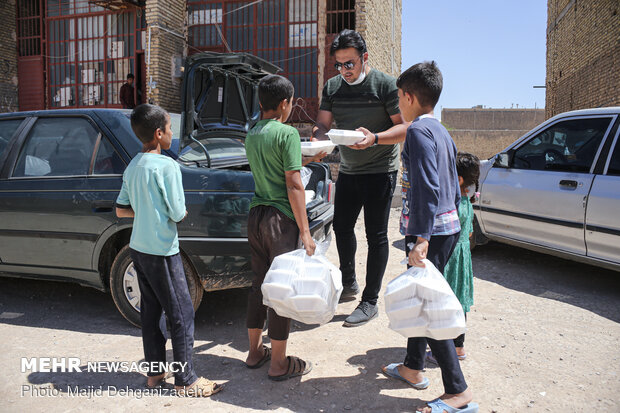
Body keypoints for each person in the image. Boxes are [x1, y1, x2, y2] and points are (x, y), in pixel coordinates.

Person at [382, 62, 478, 413]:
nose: (398, 104)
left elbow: (426, 186)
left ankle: (458, 391)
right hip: (446, 228)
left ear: (408, 97)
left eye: (398, 98)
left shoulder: (419, 133)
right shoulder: (442, 132)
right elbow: (451, 186)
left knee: (428, 305)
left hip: (429, 232)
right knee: (420, 297)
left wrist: (420, 237)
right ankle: (412, 366)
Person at [115, 104, 221, 397]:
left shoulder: (132, 166)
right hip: (162, 250)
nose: (172, 135)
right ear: (159, 133)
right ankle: (185, 380)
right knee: (182, 313)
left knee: (151, 312)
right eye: (170, 129)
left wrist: (146, 209)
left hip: (138, 248)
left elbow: (122, 210)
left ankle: (155, 373)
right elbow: (177, 212)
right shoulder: (168, 166)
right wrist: (174, 211)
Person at [312, 29, 408, 327]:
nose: (344, 71)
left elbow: (404, 128)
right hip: (350, 170)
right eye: (338, 65)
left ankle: (370, 301)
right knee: (341, 226)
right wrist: (318, 142)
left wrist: (375, 138)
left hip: (380, 170)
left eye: (349, 64)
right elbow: (323, 124)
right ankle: (349, 282)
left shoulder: (386, 85)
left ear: (365, 58)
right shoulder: (332, 87)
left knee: (376, 234)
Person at [244, 74, 315, 381]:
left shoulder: (252, 133)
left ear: (262, 103)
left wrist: (304, 158)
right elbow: (293, 183)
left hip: (256, 216)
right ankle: (279, 364)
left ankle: (255, 352)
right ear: (285, 104)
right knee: (281, 291)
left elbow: (273, 168)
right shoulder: (287, 134)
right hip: (280, 221)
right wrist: (306, 231)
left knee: (259, 284)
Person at [441, 152, 480, 360]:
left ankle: (449, 349)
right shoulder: (468, 202)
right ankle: (459, 347)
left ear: (458, 179)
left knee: (448, 303)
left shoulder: (454, 203)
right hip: (464, 257)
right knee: (460, 302)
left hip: (452, 256)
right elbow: (470, 233)